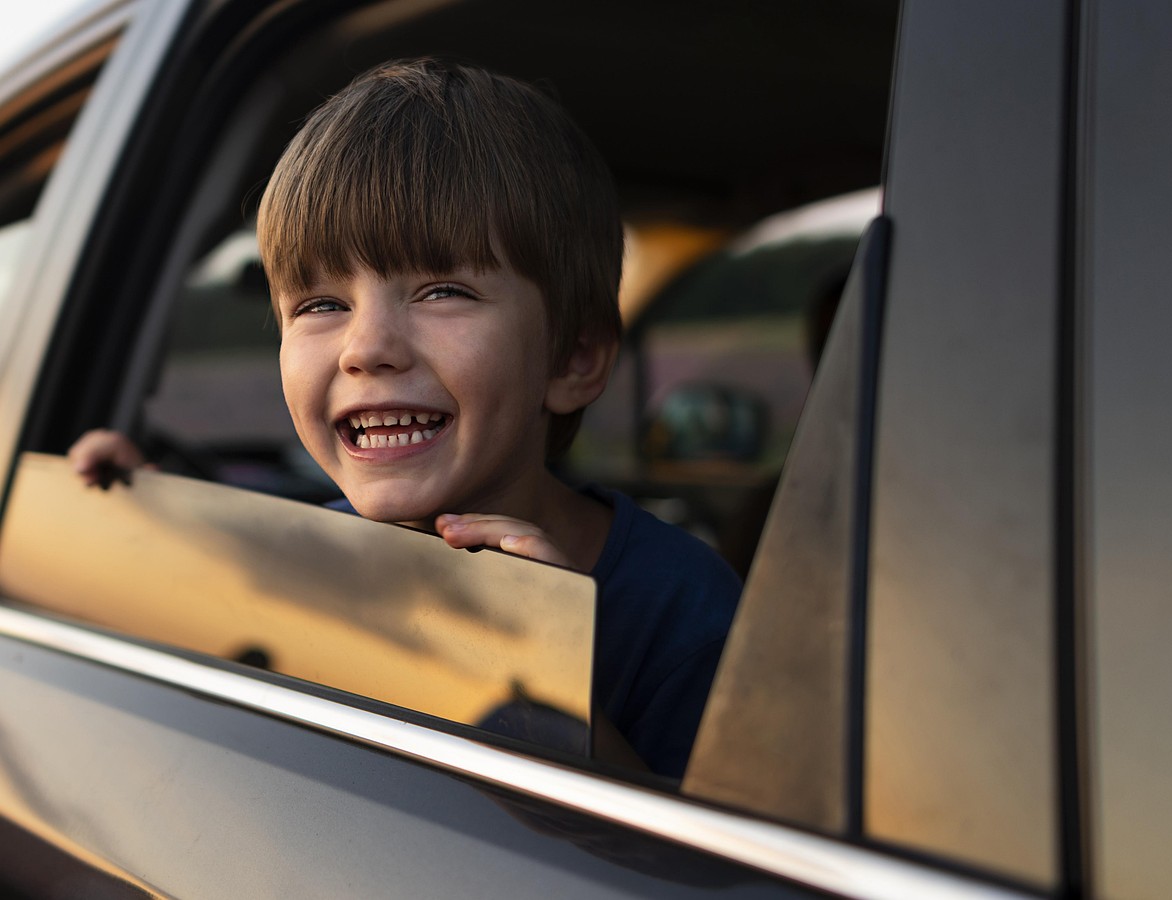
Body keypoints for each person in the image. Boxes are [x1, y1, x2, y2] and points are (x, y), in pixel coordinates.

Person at [69, 59, 741, 779]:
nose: (368, 348)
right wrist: (140, 518)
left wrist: (547, 690)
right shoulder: (302, 552)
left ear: (573, 359)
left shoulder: (685, 610)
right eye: (321, 305)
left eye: (442, 291)